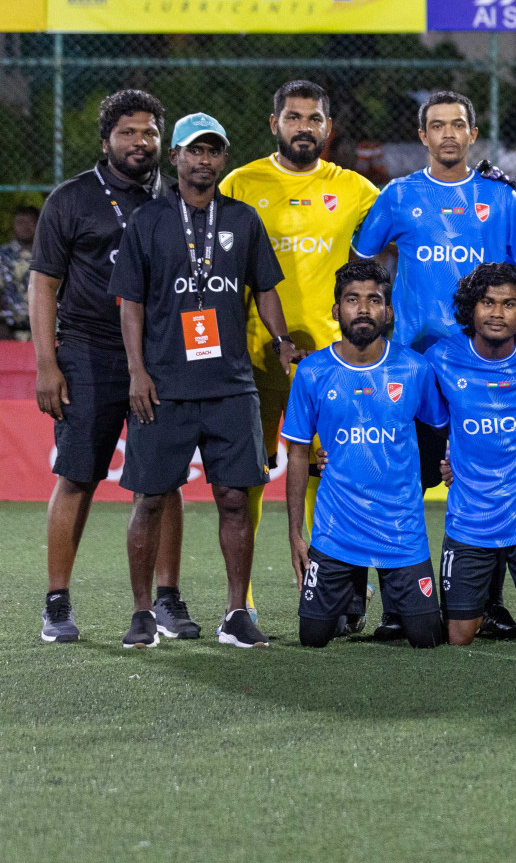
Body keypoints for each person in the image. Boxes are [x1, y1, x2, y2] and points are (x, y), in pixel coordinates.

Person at [354, 91, 516, 638]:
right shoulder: (398, 196)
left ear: (473, 135)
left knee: (486, 489)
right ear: (423, 136)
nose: (448, 134)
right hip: (417, 371)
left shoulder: (500, 198)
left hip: (487, 374)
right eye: (437, 125)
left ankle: (488, 605)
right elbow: (363, 260)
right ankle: (398, 606)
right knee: (400, 487)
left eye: (458, 125)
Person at [108, 112, 296, 650]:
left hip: (231, 384)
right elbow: (131, 304)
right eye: (194, 150)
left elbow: (265, 289)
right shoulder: (148, 220)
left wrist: (281, 340)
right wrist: (137, 372)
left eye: (213, 151)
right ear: (176, 157)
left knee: (235, 498)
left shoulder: (242, 219)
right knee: (150, 498)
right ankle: (143, 612)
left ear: (223, 157)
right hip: (164, 384)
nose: (204, 160)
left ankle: (237, 613)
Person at [219, 79, 381, 623]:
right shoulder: (241, 183)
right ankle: (240, 600)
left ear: (327, 128)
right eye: (293, 117)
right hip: (255, 356)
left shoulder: (355, 188)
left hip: (329, 361)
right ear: (275, 124)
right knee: (250, 476)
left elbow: (403, 231)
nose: (303, 127)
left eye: (314, 119)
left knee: (324, 472)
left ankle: (328, 591)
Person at [31, 91, 189, 643]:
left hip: (159, 357)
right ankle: (56, 603)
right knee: (77, 476)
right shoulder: (72, 198)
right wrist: (47, 364)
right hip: (89, 354)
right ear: (106, 141)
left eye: (148, 132)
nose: (139, 142)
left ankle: (166, 601)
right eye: (127, 132)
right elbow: (43, 284)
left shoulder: (175, 200)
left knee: (163, 482)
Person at [282, 260, 448, 649]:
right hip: (335, 532)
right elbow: (296, 454)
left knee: (427, 637)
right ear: (337, 310)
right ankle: (347, 603)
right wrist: (295, 534)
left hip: (401, 530)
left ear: (388, 312)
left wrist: (435, 469)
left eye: (374, 300)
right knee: (313, 637)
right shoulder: (313, 373)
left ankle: (393, 600)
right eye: (352, 299)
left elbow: (439, 426)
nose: (363, 308)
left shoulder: (414, 368)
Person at [424, 263, 516, 646]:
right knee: (457, 637)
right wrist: (447, 457)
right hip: (470, 519)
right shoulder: (442, 358)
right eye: (487, 302)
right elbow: (432, 421)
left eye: (508, 304)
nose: (497, 313)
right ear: (471, 308)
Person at [0, 204, 38, 338]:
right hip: (8, 329)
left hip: (45, 328)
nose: (25, 227)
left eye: (30, 222)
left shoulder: (50, 255)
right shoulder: (3, 255)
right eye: (20, 222)